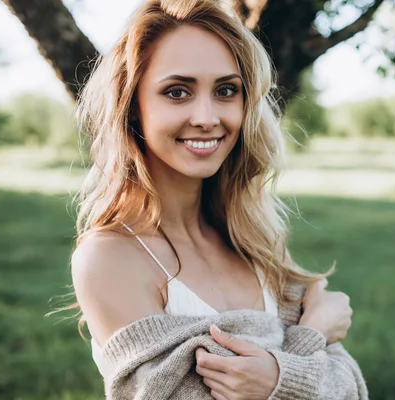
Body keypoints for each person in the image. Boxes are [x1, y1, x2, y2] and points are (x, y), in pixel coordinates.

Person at [69, 0, 367, 398]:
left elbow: (351, 387)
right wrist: (305, 342)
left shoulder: (252, 242)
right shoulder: (110, 257)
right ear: (134, 108)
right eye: (177, 92)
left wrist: (276, 376)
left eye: (226, 90)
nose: (207, 117)